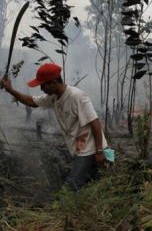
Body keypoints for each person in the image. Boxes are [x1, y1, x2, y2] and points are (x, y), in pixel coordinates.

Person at [1, 63, 108, 191]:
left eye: (42, 85)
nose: (41, 89)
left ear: (53, 82)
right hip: (80, 148)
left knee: (70, 187)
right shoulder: (53, 98)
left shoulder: (76, 96)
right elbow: (31, 101)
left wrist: (99, 151)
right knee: (93, 183)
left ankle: (64, 207)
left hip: (89, 149)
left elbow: (95, 122)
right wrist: (11, 90)